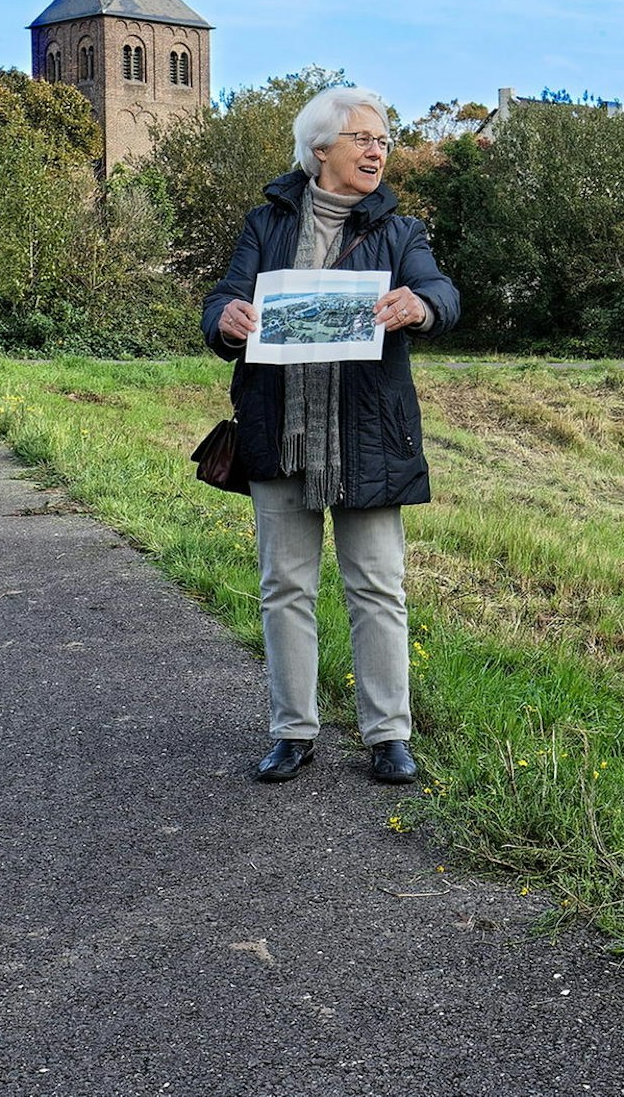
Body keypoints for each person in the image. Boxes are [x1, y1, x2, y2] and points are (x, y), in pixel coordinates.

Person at [202, 86, 459, 785]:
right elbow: (223, 296)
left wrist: (422, 304)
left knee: (376, 586)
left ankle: (388, 736)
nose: (378, 150)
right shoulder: (267, 222)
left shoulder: (401, 232)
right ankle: (292, 732)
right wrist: (225, 318)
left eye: (384, 140)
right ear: (321, 149)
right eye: (364, 138)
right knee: (284, 586)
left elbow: (444, 293)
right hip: (279, 429)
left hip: (366, 435)